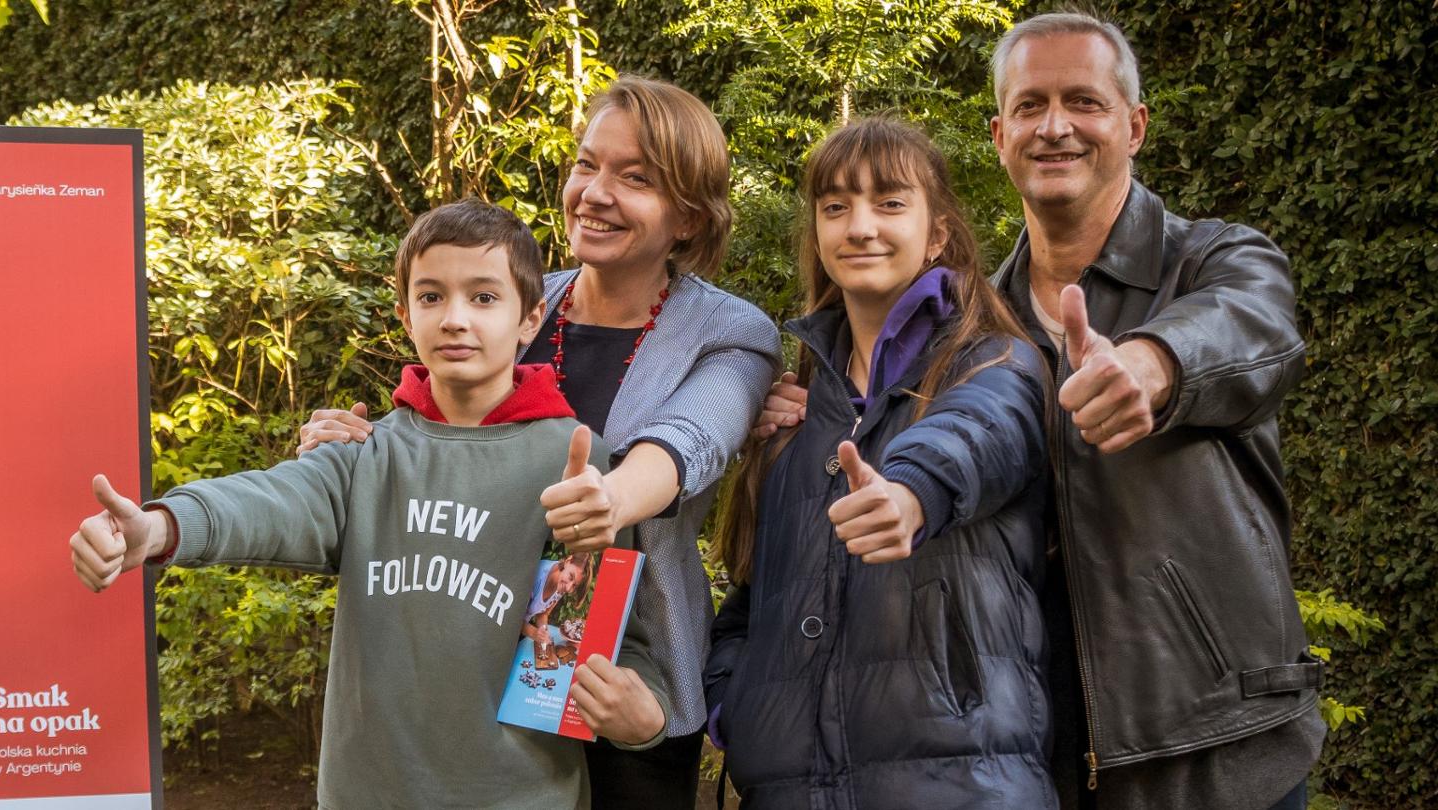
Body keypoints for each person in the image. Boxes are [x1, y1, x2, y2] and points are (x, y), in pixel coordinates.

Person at [756, 12, 1323, 810]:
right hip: (1052, 746)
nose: (1055, 126)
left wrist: (1152, 363)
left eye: (1083, 102)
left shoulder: (1212, 261)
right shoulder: (979, 329)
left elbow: (1256, 328)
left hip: (1215, 743)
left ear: (1135, 126)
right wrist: (805, 408)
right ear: (998, 134)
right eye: (1030, 106)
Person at [71, 199, 670, 809]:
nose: (455, 319)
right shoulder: (364, 452)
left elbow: (610, 631)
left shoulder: (574, 461)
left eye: (484, 298)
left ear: (530, 316)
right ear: (404, 312)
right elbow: (270, 500)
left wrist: (645, 719)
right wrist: (159, 526)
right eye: (431, 296)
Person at [297, 76, 781, 807]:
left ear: (687, 217)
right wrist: (351, 449)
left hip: (621, 688)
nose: (595, 192)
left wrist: (608, 497)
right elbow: (430, 436)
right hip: (481, 683)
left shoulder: (729, 332)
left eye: (635, 178)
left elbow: (690, 440)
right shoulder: (510, 300)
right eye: (588, 165)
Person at [703, 117, 1054, 808]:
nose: (860, 226)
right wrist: (734, 708)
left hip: (964, 788)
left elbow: (978, 431)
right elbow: (753, 599)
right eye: (836, 206)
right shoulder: (794, 417)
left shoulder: (995, 362)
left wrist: (910, 491)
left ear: (938, 233)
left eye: (890, 203)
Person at [523, 552, 590, 667]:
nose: (569, 588)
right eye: (571, 577)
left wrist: (543, 631)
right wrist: (534, 633)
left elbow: (544, 613)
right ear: (568, 560)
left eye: (574, 585)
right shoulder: (535, 575)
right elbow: (512, 616)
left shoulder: (562, 585)